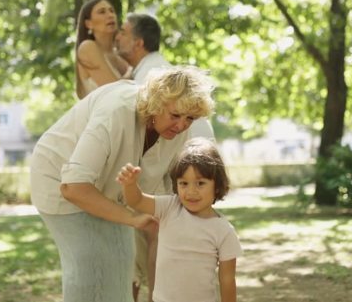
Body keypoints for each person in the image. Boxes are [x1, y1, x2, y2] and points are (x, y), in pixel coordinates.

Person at [29, 66, 215, 302]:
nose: (181, 126)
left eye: (190, 119)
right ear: (157, 105)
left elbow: (166, 191)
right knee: (91, 263)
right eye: (175, 115)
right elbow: (73, 187)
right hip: (58, 180)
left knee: (121, 262)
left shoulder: (176, 134)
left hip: (106, 190)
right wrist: (132, 218)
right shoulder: (116, 111)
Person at [114, 12, 216, 301]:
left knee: (156, 245)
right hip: (185, 172)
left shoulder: (152, 79)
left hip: (183, 173)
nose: (117, 37)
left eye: (123, 31)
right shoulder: (151, 71)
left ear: (138, 42)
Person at [116, 137, 242, 302]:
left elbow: (227, 280)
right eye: (184, 183)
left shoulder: (224, 231)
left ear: (217, 185)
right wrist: (130, 185)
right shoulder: (169, 207)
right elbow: (137, 201)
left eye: (200, 183)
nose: (191, 191)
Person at [74, 0, 131, 99]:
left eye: (111, 11)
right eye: (102, 12)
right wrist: (132, 72)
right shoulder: (87, 47)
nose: (110, 15)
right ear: (88, 24)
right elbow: (116, 92)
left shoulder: (121, 55)